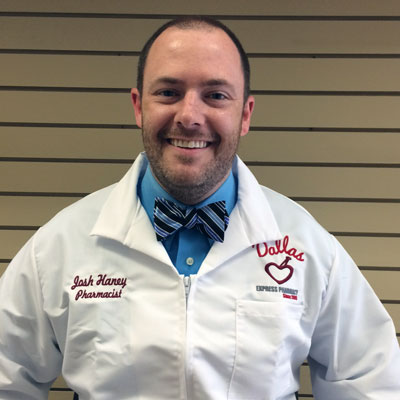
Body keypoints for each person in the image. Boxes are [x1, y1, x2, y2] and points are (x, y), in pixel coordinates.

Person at [0, 16, 399, 400]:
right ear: (139, 106)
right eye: (168, 93)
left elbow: (371, 382)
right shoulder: (61, 245)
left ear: (245, 114)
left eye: (216, 96)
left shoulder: (307, 246)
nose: (190, 116)